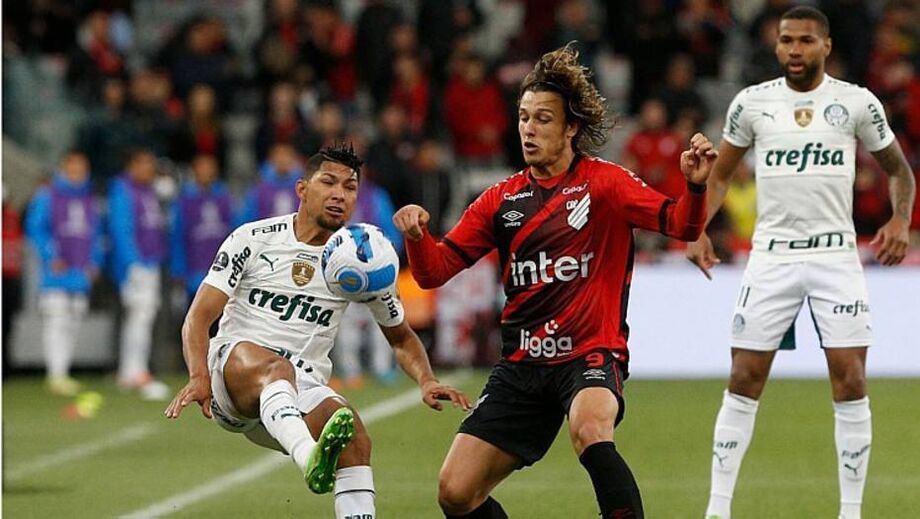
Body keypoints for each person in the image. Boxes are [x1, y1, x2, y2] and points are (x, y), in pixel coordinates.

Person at [393, 43, 718, 519]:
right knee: (455, 492)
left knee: (589, 430)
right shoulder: (500, 200)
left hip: (588, 354)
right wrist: (418, 237)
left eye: (543, 119)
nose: (528, 128)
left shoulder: (606, 184)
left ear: (571, 128)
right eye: (524, 117)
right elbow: (434, 272)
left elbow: (682, 226)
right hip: (522, 366)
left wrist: (694, 185)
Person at [685, 7, 915, 519]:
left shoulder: (855, 103)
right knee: (744, 377)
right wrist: (696, 226)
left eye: (805, 41)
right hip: (771, 257)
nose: (794, 49)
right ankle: (717, 510)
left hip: (836, 255)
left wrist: (900, 220)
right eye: (786, 40)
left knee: (851, 379)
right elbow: (720, 176)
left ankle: (850, 512)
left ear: (826, 46)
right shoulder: (753, 104)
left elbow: (900, 171)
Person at [164, 144, 470, 519]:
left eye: (350, 187)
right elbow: (198, 317)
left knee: (355, 440)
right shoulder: (254, 239)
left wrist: (425, 379)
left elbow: (401, 336)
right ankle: (311, 458)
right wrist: (198, 376)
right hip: (234, 377)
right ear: (302, 189)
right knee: (275, 368)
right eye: (328, 182)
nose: (340, 194)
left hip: (299, 391)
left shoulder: (362, 260)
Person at [24, 151, 103, 395]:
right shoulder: (48, 196)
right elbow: (35, 228)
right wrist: (51, 255)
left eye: (82, 168)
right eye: (74, 167)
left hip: (80, 272)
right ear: (64, 168)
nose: (79, 172)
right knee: (57, 320)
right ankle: (56, 374)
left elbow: (97, 235)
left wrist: (95, 262)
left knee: (74, 321)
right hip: (56, 272)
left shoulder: (90, 200)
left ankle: (63, 371)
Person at [108, 148, 170, 400]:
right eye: (144, 164)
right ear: (131, 165)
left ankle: (129, 370)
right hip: (136, 264)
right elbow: (121, 229)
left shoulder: (149, 191)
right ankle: (136, 371)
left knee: (141, 317)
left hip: (150, 261)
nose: (149, 170)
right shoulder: (123, 191)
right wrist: (132, 263)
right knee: (140, 316)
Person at [169, 154, 234, 300]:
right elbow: (178, 237)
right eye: (202, 168)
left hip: (222, 272)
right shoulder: (184, 201)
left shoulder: (224, 199)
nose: (206, 172)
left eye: (209, 169)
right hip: (194, 272)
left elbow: (235, 233)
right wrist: (178, 270)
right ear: (194, 171)